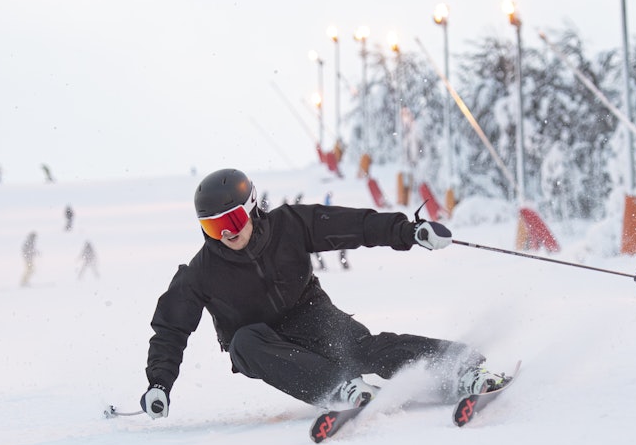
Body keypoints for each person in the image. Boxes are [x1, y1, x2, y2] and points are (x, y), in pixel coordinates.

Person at [138, 168, 502, 420]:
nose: (227, 234)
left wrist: (407, 232)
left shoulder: (290, 225)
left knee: (361, 350)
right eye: (213, 227)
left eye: (231, 221)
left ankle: (461, 368)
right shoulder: (201, 272)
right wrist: (159, 382)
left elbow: (353, 226)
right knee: (243, 343)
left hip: (309, 313)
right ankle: (339, 389)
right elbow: (171, 328)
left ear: (251, 209)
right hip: (260, 344)